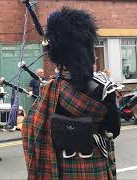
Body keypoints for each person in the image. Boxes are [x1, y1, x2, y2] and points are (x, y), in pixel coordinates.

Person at [22, 7, 120, 179]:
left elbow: (33, 127)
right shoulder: (105, 88)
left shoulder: (49, 89)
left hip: (61, 164)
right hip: (94, 162)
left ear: (57, 55)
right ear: (89, 51)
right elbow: (114, 130)